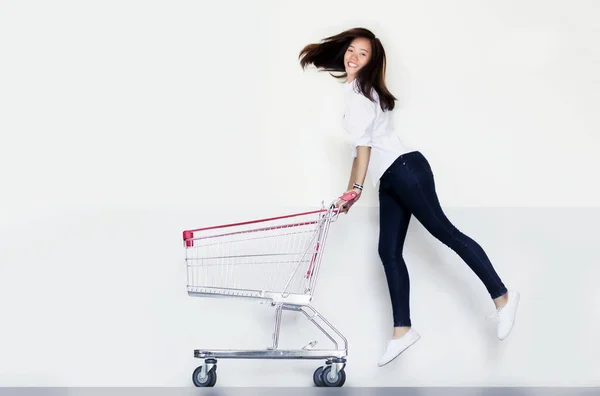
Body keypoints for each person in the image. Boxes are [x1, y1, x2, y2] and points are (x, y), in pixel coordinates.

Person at [298, 27, 520, 367]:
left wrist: (354, 190)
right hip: (391, 178)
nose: (354, 57)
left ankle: (502, 297)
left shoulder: (359, 96)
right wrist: (351, 190)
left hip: (405, 171)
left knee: (446, 233)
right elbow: (361, 153)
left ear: (373, 62)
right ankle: (402, 330)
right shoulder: (358, 91)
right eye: (352, 51)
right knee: (388, 250)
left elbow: (363, 148)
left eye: (363, 54)